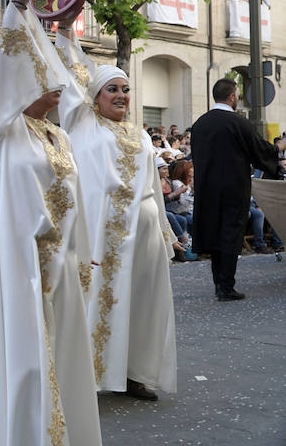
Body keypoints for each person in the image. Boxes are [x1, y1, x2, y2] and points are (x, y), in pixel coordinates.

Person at [0, 0, 101, 445]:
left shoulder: (58, 135)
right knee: (27, 353)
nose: (57, 87)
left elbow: (76, 197)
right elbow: (5, 67)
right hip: (21, 260)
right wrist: (18, 5)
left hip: (61, 260)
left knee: (62, 350)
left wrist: (83, 250)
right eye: (45, 79)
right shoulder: (4, 130)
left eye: (57, 80)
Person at [54, 21, 178, 401]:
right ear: (94, 98)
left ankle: (134, 373)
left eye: (126, 88)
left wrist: (163, 232)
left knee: (142, 302)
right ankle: (89, 374)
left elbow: (154, 188)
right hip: (100, 234)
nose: (122, 95)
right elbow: (70, 71)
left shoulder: (141, 135)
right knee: (100, 300)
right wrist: (65, 27)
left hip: (143, 233)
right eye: (113, 89)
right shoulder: (83, 124)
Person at [191, 78, 285, 300]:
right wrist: (279, 146)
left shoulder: (200, 124)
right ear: (232, 96)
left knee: (214, 233)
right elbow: (262, 151)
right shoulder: (238, 123)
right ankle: (226, 286)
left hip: (207, 187)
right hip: (233, 187)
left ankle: (219, 283)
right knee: (231, 233)